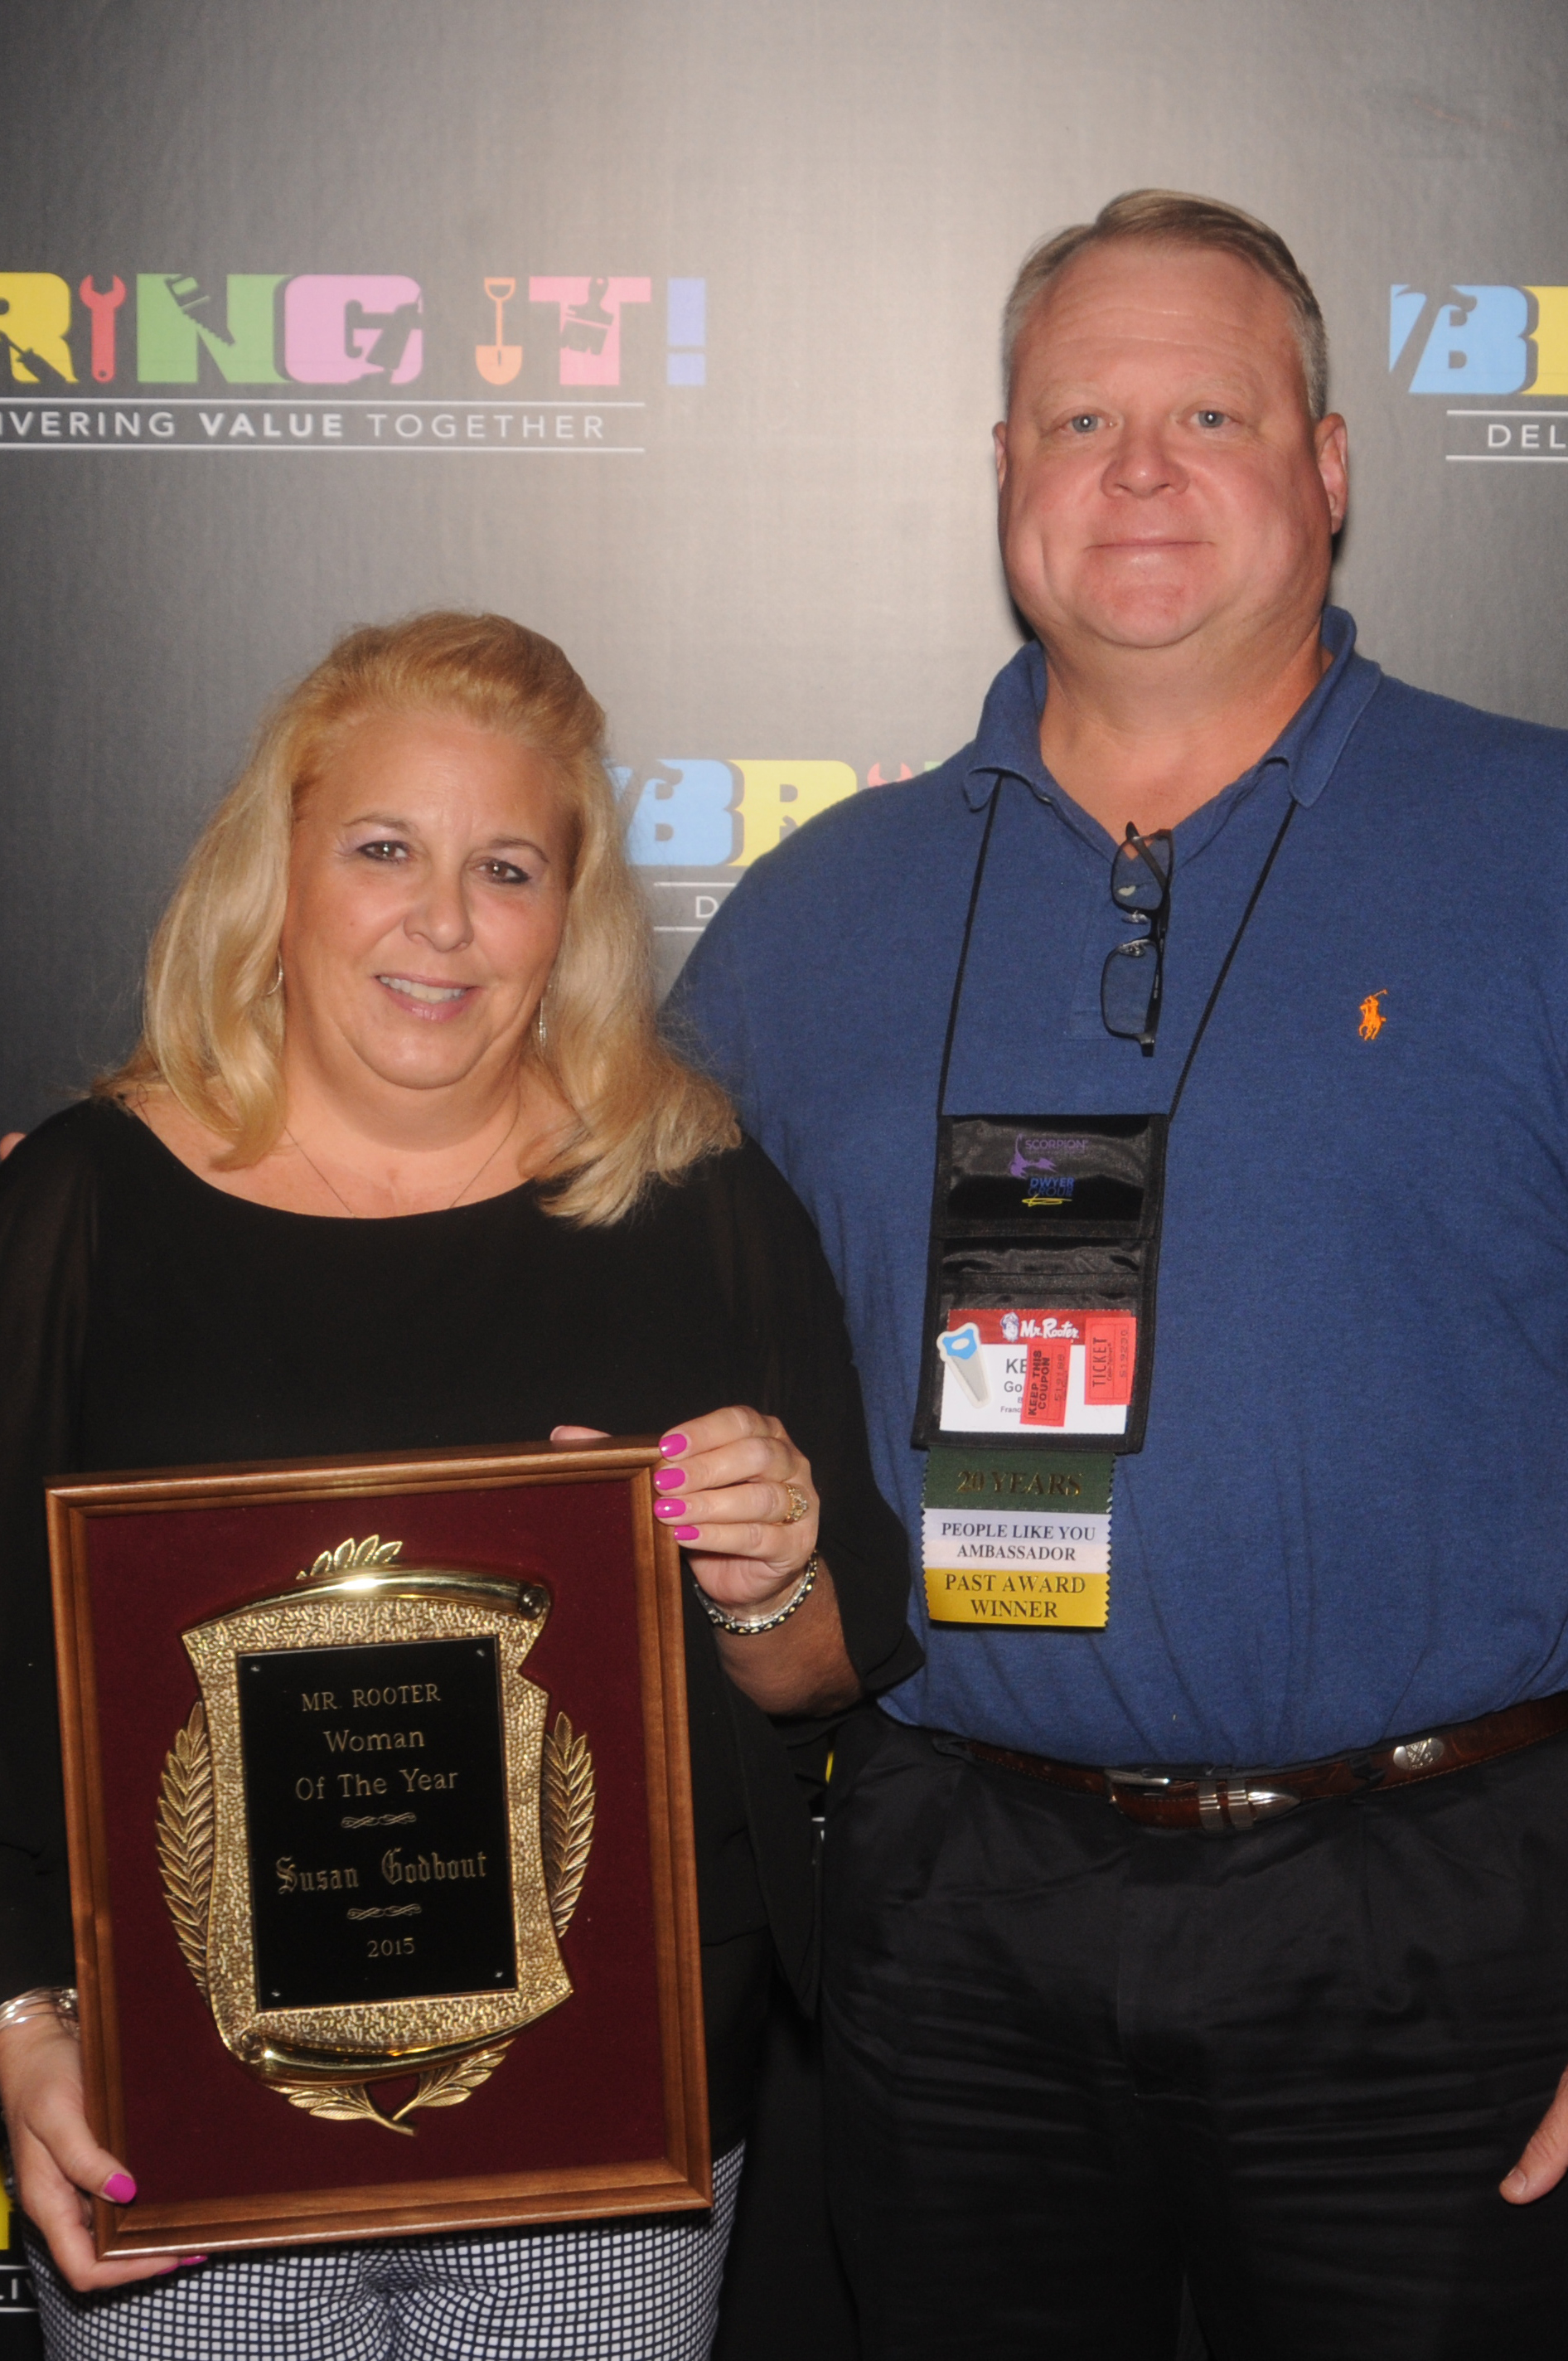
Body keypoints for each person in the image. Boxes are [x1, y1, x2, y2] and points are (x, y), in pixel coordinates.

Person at [669, 190, 1568, 2359]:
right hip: (951, 1912)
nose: (1138, 472)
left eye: (1206, 412)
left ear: (1329, 473)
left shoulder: (1535, 847)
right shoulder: (812, 920)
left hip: (1448, 1927)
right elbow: (561, 1281)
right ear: (1002, 477)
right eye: (1079, 418)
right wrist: (159, 1178)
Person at [0, 610, 917, 2360]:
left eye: (504, 865)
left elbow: (825, 1671)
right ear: (278, 871)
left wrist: (765, 1574)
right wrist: (16, 2010)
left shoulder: (698, 1197)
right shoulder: (86, 1206)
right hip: (176, 2114)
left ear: (565, 916)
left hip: (600, 2123)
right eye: (383, 850)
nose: (441, 919)